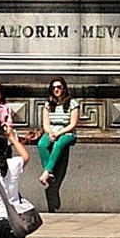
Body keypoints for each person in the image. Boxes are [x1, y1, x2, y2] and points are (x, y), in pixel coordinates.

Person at [35, 81, 80, 213]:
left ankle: (47, 171)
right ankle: (49, 172)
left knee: (59, 144)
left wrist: (59, 133)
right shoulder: (48, 104)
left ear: (64, 88)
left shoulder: (73, 103)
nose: (56, 90)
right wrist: (50, 133)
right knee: (42, 144)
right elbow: (45, 123)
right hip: (52, 131)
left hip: (67, 132)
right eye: (54, 88)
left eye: (59, 87)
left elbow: (73, 124)